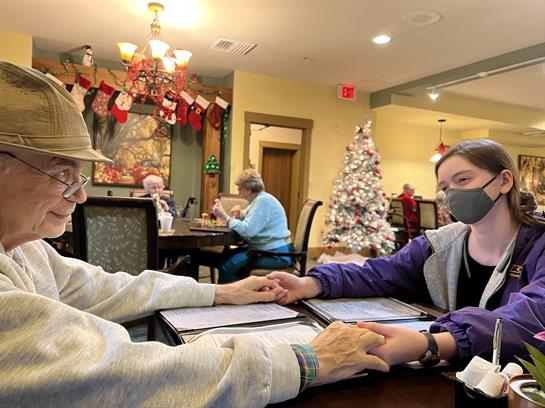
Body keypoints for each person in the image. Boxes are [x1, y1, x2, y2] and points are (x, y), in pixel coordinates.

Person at [0, 61, 389, 406]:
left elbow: (106, 288)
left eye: (78, 175)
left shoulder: (27, 250)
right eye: (62, 173)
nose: (81, 194)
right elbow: (114, 369)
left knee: (232, 266)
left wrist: (220, 291)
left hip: (272, 256)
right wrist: (306, 361)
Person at [269, 139, 545, 367]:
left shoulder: (539, 245)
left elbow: (532, 316)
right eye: (446, 188)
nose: (453, 194)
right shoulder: (439, 245)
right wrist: (309, 283)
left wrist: (433, 343)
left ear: (504, 181)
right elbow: (378, 272)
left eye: (463, 179)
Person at [212, 169, 294, 283]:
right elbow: (250, 217)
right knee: (226, 257)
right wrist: (240, 214)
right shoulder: (259, 200)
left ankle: (234, 297)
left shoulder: (263, 201)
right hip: (267, 250)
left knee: (227, 265)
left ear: (249, 190)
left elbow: (248, 230)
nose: (239, 193)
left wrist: (225, 216)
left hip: (276, 255)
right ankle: (237, 290)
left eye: (240, 189)